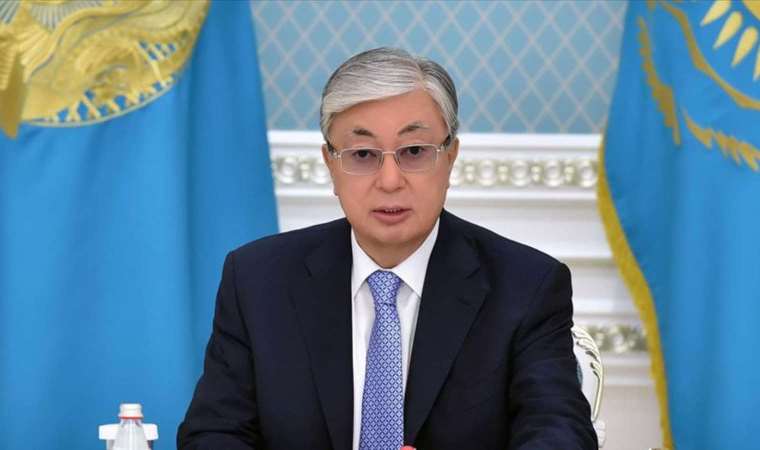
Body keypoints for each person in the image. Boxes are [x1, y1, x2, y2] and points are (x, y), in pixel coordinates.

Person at [177, 47, 597, 450]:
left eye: (414, 151)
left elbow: (560, 434)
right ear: (331, 164)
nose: (390, 181)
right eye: (362, 154)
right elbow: (212, 435)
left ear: (450, 158)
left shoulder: (526, 286)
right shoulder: (257, 280)